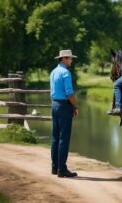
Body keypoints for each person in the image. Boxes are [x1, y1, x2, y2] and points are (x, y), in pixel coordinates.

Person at [50, 49, 79, 178]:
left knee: (55, 137)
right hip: (64, 106)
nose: (72, 60)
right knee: (64, 138)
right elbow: (70, 93)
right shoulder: (66, 73)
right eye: (70, 58)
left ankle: (55, 167)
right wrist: (75, 106)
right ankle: (62, 169)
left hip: (54, 104)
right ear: (64, 59)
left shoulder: (53, 72)